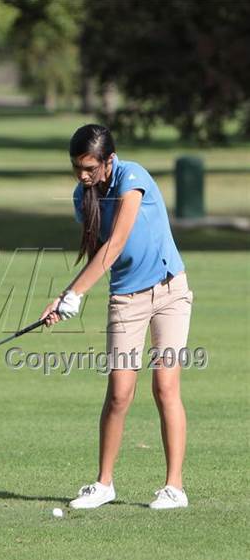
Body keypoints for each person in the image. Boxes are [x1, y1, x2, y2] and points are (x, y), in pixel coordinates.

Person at [40, 124, 194, 510]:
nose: (83, 175)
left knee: (164, 386)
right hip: (126, 299)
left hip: (170, 293)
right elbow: (98, 257)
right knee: (120, 393)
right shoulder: (83, 197)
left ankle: (174, 487)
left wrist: (75, 293)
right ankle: (104, 484)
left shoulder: (133, 177)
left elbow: (119, 241)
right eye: (77, 167)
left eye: (90, 167)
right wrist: (64, 297)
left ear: (109, 160)